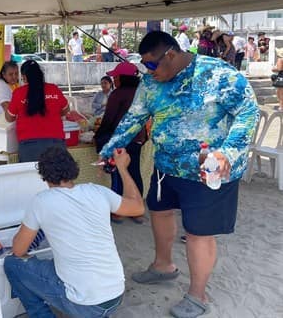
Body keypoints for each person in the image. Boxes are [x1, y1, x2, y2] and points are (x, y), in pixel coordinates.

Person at [99, 31, 259, 318]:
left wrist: (228, 153)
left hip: (207, 170)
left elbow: (248, 113)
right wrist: (111, 149)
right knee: (159, 212)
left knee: (198, 233)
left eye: (151, 65)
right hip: (165, 166)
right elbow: (134, 117)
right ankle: (163, 266)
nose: (147, 72)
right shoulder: (150, 83)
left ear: (170, 55)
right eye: (144, 66)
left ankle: (198, 295)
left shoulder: (219, 74)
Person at [3, 146, 144, 318]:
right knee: (58, 262)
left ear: (43, 176)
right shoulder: (97, 191)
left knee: (12, 264)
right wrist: (123, 168)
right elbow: (138, 207)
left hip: (85, 305)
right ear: (73, 169)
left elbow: (18, 250)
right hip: (116, 294)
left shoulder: (42, 201)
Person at [95, 62, 147, 224]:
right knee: (134, 172)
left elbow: (108, 119)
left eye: (115, 77)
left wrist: (98, 135)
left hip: (121, 140)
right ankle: (137, 211)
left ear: (122, 78)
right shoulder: (142, 92)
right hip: (137, 138)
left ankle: (118, 212)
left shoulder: (118, 94)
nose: (114, 79)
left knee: (118, 173)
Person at [6, 60, 69, 162]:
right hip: (55, 143)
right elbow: (65, 110)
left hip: (29, 146)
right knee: (57, 176)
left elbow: (9, 118)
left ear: (24, 77)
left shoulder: (18, 93)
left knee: (32, 177)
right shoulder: (54, 89)